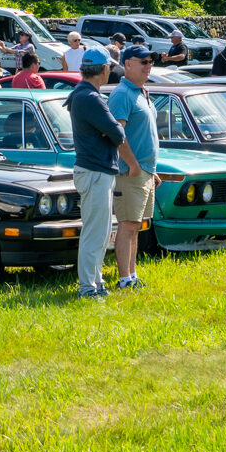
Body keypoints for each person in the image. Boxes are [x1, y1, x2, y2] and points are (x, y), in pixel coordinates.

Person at [66, 49, 137, 300]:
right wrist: (112, 129)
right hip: (95, 171)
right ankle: (87, 287)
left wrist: (111, 129)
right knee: (95, 233)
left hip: (97, 171)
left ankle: (96, 283)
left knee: (101, 232)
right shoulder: (90, 97)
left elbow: (113, 131)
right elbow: (118, 133)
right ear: (104, 70)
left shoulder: (84, 94)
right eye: (110, 68)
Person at [107, 44, 159, 290]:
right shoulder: (122, 94)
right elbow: (117, 135)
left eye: (151, 62)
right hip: (130, 172)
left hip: (144, 171)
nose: (149, 66)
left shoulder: (142, 92)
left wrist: (151, 170)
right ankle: (124, 279)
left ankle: (132, 275)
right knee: (128, 224)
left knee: (136, 225)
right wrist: (134, 165)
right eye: (143, 61)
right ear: (127, 64)